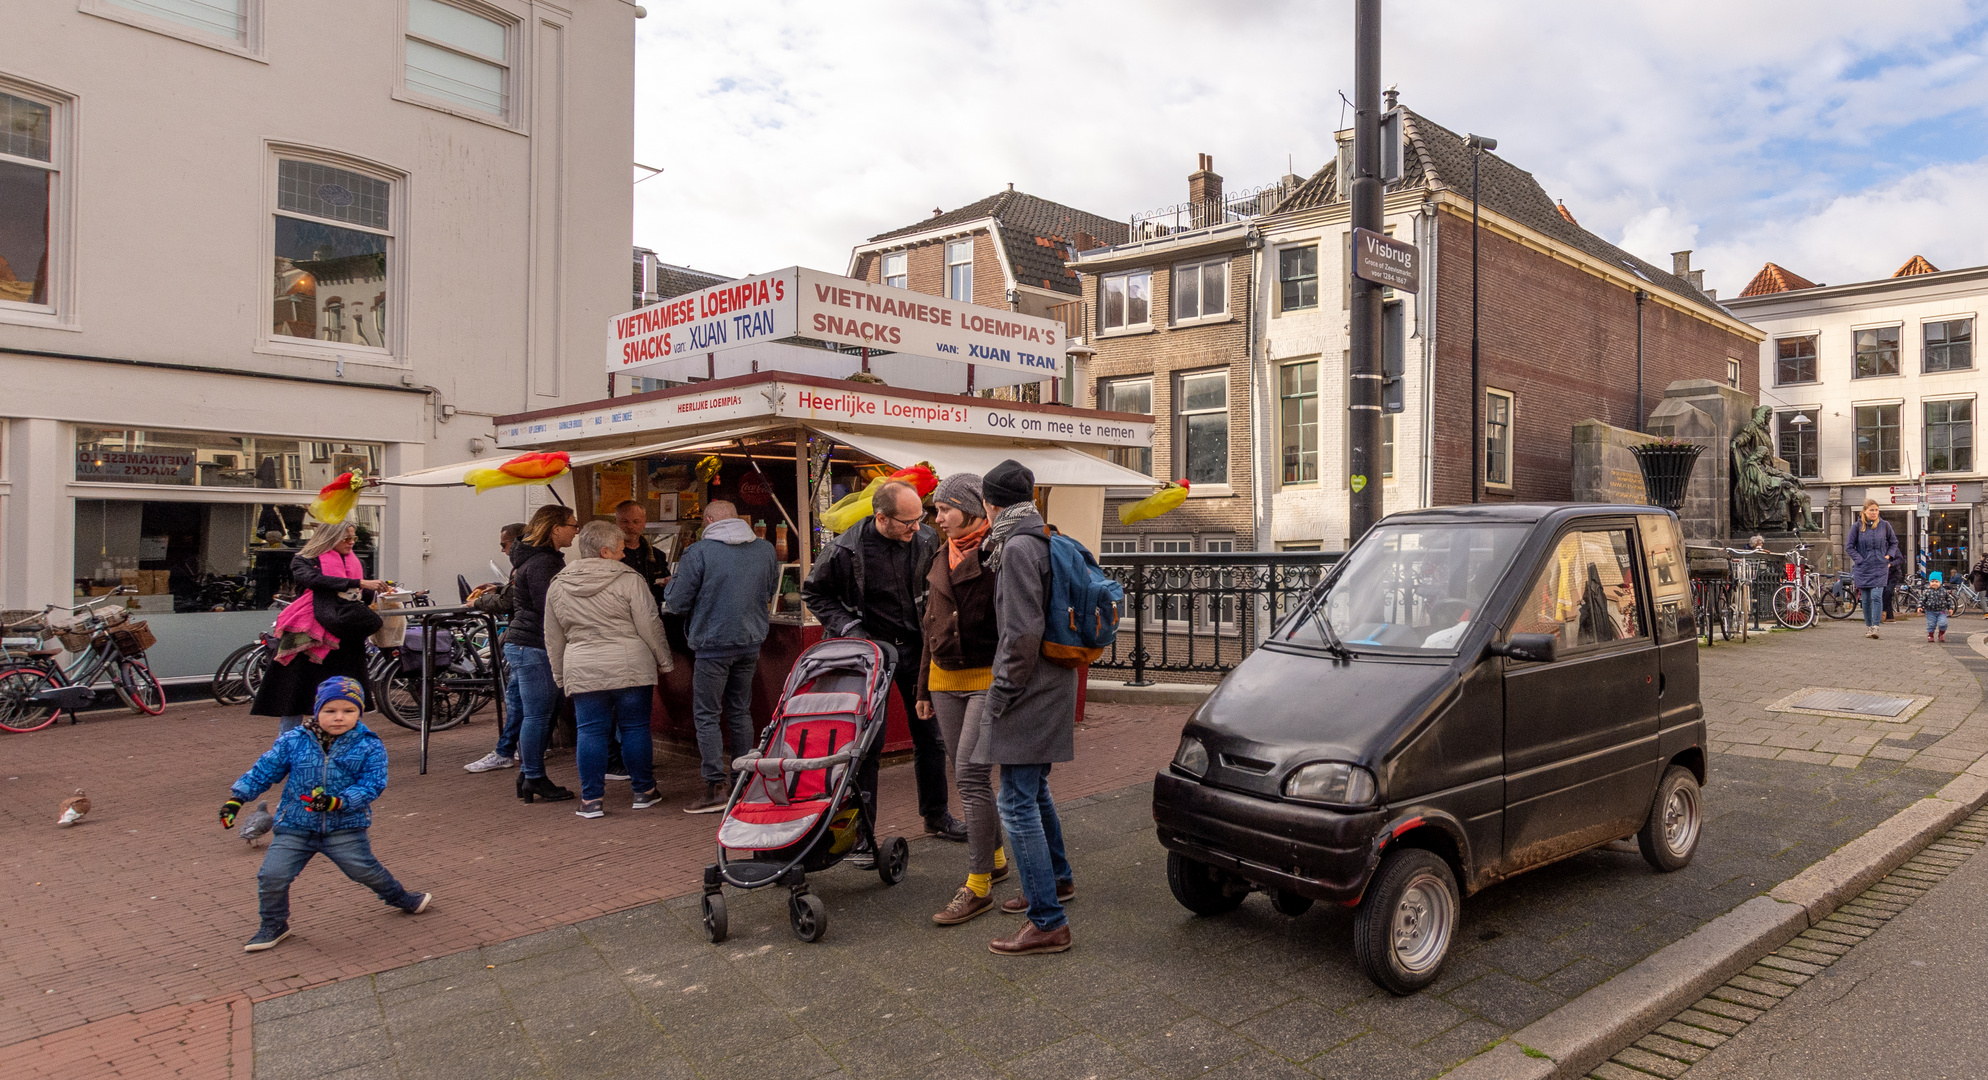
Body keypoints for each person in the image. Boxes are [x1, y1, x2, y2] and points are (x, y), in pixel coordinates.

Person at [801, 479, 966, 850]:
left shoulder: (923, 539)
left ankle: (937, 815)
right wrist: (853, 630)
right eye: (908, 522)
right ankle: (862, 834)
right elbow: (814, 591)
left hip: (916, 651)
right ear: (882, 518)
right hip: (868, 657)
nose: (918, 527)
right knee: (867, 746)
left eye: (920, 518)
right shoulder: (844, 548)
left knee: (930, 736)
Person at [222, 676, 431, 952]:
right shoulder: (294, 740)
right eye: (330, 711)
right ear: (317, 711)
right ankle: (273, 925)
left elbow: (373, 784)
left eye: (349, 711)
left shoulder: (369, 744)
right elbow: (264, 770)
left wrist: (338, 802)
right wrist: (237, 799)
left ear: (360, 712)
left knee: (365, 871)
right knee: (272, 876)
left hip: (344, 827)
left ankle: (401, 897)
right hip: (295, 825)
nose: (339, 718)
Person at [974, 460, 1079, 956]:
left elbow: (1020, 635)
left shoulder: (1014, 547)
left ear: (990, 504)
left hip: (1028, 688)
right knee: (1033, 790)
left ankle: (1047, 921)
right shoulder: (1044, 536)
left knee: (1014, 800)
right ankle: (1055, 881)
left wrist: (1000, 693)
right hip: (1052, 679)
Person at [918, 473, 1011, 925]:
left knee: (972, 777)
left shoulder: (999, 553)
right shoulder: (939, 555)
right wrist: (921, 688)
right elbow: (929, 625)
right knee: (965, 772)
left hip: (986, 675)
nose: (937, 519)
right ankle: (994, 857)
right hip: (943, 678)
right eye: (935, 510)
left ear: (972, 507)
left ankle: (977, 886)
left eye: (945, 509)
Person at [544, 521, 673, 818]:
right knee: (635, 727)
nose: (624, 555)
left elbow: (553, 635)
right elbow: (650, 625)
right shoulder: (630, 579)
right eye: (619, 550)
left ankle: (591, 800)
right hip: (630, 663)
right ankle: (644, 791)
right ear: (605, 551)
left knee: (590, 731)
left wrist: (560, 674)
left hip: (583, 664)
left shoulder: (559, 583)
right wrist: (664, 661)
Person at [664, 500, 781, 813]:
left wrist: (668, 588)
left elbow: (676, 603)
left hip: (712, 643)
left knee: (707, 713)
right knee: (739, 710)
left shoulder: (699, 552)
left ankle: (715, 785)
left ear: (708, 520)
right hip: (751, 641)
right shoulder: (765, 549)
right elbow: (771, 589)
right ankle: (742, 779)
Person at [251, 520, 385, 733]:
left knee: (342, 694)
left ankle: (342, 746)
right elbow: (314, 580)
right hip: (307, 633)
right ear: (330, 537)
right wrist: (357, 583)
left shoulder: (356, 562)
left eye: (354, 538)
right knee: (295, 692)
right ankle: (287, 748)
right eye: (346, 538)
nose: (351, 542)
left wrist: (380, 593)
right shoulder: (304, 560)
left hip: (344, 635)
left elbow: (362, 597)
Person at [504, 505, 580, 800]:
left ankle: (528, 775)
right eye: (573, 524)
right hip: (535, 645)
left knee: (542, 714)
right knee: (538, 715)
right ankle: (533, 777)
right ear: (555, 528)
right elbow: (551, 606)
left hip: (530, 643)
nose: (576, 529)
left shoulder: (537, 559)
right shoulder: (543, 563)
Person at [463, 520, 537, 774]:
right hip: (529, 640)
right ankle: (518, 750)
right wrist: (501, 588)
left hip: (526, 641)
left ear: (517, 541)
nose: (503, 551)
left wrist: (482, 602)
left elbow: (510, 601)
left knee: (519, 700)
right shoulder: (530, 565)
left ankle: (514, 752)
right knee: (520, 699)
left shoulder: (526, 565)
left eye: (505, 544)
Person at [1846, 498, 1900, 639]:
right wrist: (1860, 560)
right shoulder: (1857, 527)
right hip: (1863, 568)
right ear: (1865, 511)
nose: (1874, 512)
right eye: (1871, 510)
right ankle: (1869, 627)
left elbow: (1894, 542)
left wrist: (1889, 556)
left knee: (1876, 597)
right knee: (1866, 599)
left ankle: (1876, 627)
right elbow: (1849, 547)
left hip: (1880, 567)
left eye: (1876, 510)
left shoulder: (1885, 525)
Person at [613, 501, 671, 609]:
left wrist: (669, 584)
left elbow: (664, 594)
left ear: (644, 523)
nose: (630, 526)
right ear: (616, 522)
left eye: (636, 522)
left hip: (652, 615)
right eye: (625, 522)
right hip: (620, 616)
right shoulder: (610, 555)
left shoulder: (657, 555)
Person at [1923, 571, 1955, 643]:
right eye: (1932, 581)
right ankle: (1930, 635)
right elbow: (1922, 600)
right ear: (1929, 582)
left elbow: (1948, 600)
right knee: (1931, 624)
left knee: (1943, 623)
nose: (1934, 583)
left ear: (1940, 583)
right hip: (1930, 611)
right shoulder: (1926, 591)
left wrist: (1950, 608)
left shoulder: (1944, 591)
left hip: (1941, 611)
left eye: (1936, 581)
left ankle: (1941, 634)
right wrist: (1919, 607)